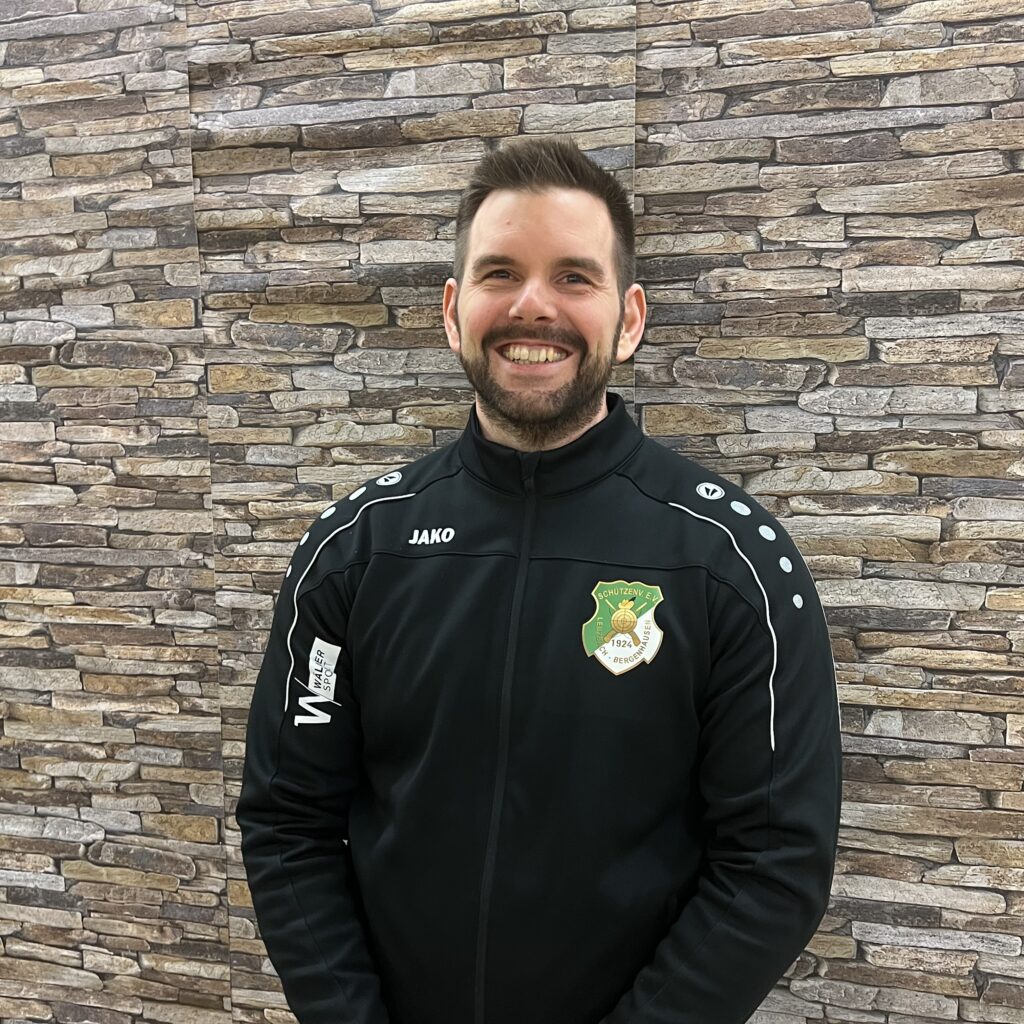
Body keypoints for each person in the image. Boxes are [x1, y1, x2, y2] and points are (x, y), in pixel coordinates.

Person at [237, 139, 842, 1024]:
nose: (532, 305)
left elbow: (775, 861)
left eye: (574, 277)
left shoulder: (731, 559)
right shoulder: (356, 550)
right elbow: (288, 821)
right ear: (454, 312)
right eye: (500, 273)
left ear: (628, 319)